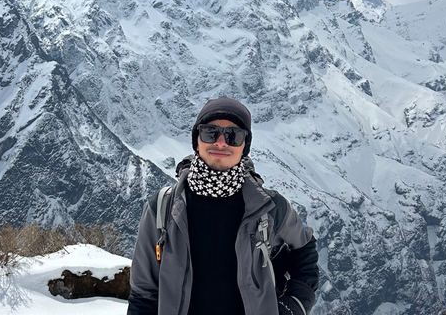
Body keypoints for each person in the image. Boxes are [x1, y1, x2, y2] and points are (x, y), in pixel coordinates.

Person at [128, 96, 320, 315]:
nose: (221, 142)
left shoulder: (270, 208)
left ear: (244, 146)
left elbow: (305, 247)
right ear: (196, 140)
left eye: (234, 136)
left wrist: (295, 303)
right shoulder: (161, 208)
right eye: (210, 132)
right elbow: (143, 294)